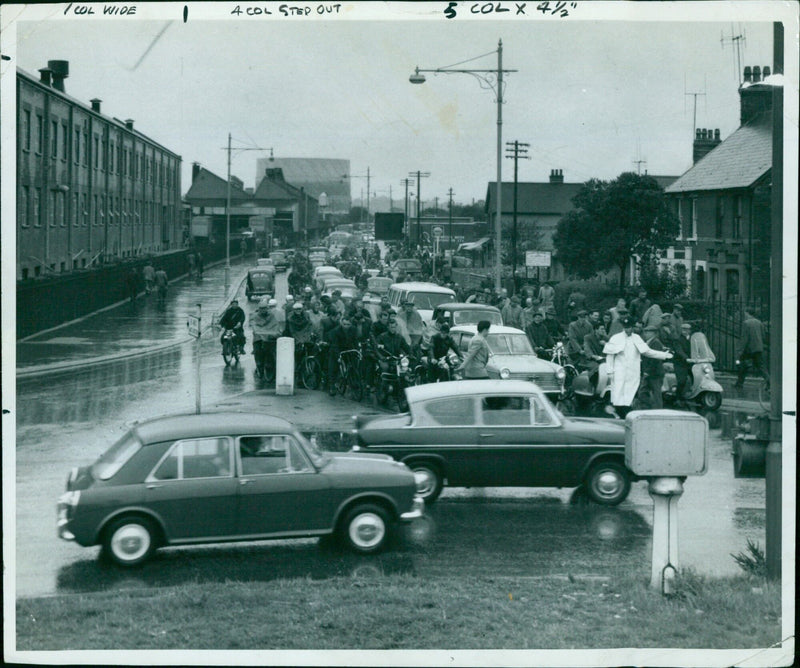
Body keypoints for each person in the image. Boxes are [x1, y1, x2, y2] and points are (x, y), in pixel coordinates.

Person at [603, 316, 672, 418]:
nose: (628, 330)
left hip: (633, 372)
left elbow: (647, 352)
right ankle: (618, 413)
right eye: (626, 327)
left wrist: (664, 355)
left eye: (630, 327)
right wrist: (609, 371)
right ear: (623, 327)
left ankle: (627, 414)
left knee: (630, 394)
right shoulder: (615, 338)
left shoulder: (637, 338)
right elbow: (610, 356)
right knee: (618, 394)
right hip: (619, 371)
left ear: (632, 327)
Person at [735, 310, 769, 389]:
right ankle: (769, 382)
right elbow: (763, 336)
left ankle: (739, 384)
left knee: (741, 364)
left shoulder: (746, 323)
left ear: (748, 314)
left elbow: (744, 339)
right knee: (761, 367)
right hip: (758, 348)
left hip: (749, 349)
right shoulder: (759, 323)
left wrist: (740, 350)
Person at [251, 298, 282, 378]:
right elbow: (254, 325)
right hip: (259, 338)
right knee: (257, 352)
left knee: (273, 351)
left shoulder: (271, 315)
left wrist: (277, 332)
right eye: (261, 308)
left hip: (269, 338)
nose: (263, 310)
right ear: (259, 309)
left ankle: (273, 367)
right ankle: (259, 369)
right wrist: (257, 332)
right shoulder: (255, 316)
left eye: (265, 308)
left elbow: (275, 324)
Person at [641, 324, 666, 409]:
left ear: (654, 333)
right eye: (645, 332)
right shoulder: (648, 343)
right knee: (642, 392)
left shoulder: (656, 343)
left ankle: (658, 411)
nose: (646, 334)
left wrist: (647, 371)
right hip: (650, 372)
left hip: (655, 373)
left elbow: (655, 360)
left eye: (648, 332)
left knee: (656, 395)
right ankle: (650, 407)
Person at [672, 321, 693, 403]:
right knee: (681, 380)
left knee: (696, 377)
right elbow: (679, 350)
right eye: (683, 329)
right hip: (680, 363)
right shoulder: (678, 339)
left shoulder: (692, 339)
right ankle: (678, 398)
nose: (685, 331)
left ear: (690, 330)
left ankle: (689, 394)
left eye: (687, 329)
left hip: (691, 362)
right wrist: (686, 358)